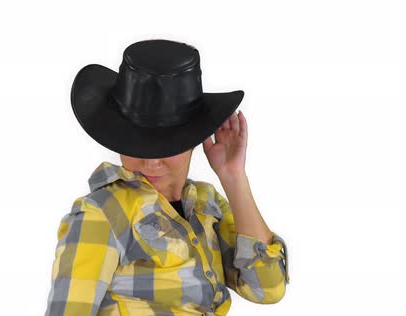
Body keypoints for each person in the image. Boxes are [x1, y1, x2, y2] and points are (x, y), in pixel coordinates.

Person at [45, 39, 289, 316]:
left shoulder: (206, 205)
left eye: (167, 147)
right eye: (136, 145)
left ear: (194, 139)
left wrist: (233, 177)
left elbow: (267, 288)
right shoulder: (101, 215)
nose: (151, 161)